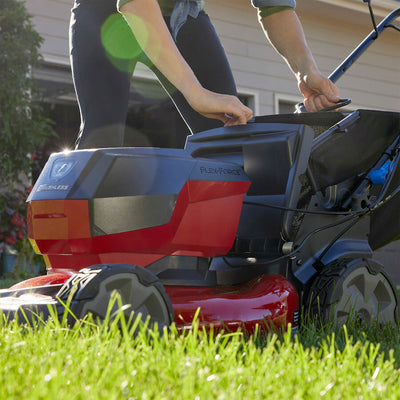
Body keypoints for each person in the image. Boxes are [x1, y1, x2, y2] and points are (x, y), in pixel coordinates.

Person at [70, 0, 340, 149]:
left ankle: (223, 249)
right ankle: (78, 247)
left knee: (228, 138)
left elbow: (275, 6)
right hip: (109, 10)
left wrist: (306, 71)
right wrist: (195, 91)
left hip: (182, 11)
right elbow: (135, 4)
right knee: (102, 137)